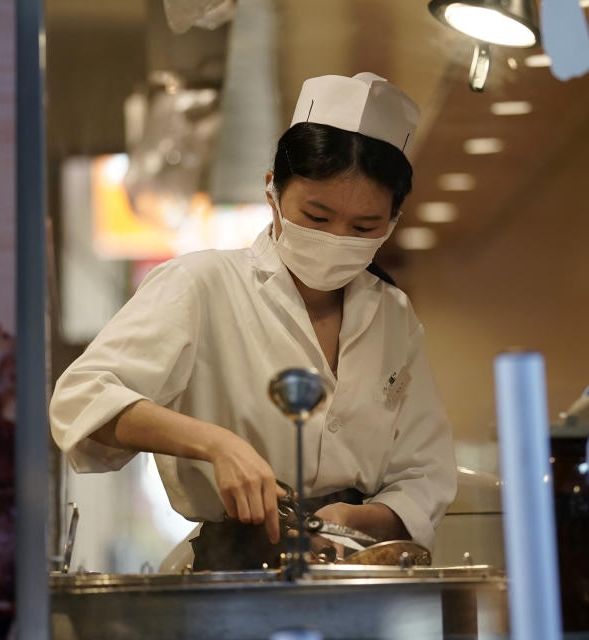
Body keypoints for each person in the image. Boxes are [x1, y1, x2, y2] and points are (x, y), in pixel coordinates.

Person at [48, 72, 457, 570]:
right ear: (273, 194)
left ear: (390, 224)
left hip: (358, 571)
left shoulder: (393, 314)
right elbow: (81, 398)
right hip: (234, 571)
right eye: (317, 216)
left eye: (364, 226)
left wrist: (366, 518)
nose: (336, 237)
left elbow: (426, 470)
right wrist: (217, 444)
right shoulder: (201, 284)